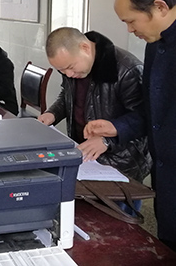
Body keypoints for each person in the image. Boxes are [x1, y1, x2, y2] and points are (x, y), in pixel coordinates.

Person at [84, 0, 176, 253]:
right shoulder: (156, 44)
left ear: (160, 7)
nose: (129, 30)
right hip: (168, 183)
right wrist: (116, 128)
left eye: (131, 21)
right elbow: (154, 112)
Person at [38, 27, 151, 185]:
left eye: (70, 67)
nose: (69, 74)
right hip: (85, 155)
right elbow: (67, 96)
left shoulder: (127, 69)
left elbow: (145, 120)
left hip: (122, 162)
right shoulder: (72, 67)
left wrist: (107, 141)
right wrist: (52, 114)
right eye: (62, 71)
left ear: (85, 47)